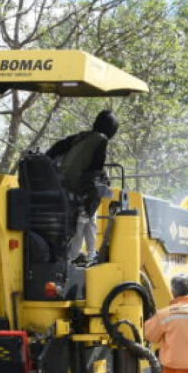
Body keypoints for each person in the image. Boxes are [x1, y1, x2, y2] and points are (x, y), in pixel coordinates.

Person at [45, 109, 118, 263]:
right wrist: (98, 188)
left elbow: (53, 151)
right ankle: (79, 256)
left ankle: (90, 253)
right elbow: (95, 171)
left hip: (61, 185)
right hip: (78, 188)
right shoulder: (101, 140)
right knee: (86, 217)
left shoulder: (80, 136)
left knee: (88, 218)